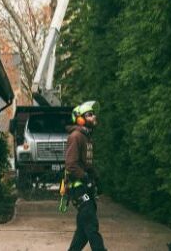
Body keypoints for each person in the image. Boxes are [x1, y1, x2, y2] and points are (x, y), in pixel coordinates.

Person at [65, 100, 107, 251]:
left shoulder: (87, 137)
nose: (93, 117)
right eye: (89, 114)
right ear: (80, 118)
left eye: (93, 114)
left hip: (85, 187)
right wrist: (85, 179)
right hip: (78, 188)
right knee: (91, 225)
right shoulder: (76, 136)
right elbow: (71, 165)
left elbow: (87, 165)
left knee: (83, 232)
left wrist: (96, 179)